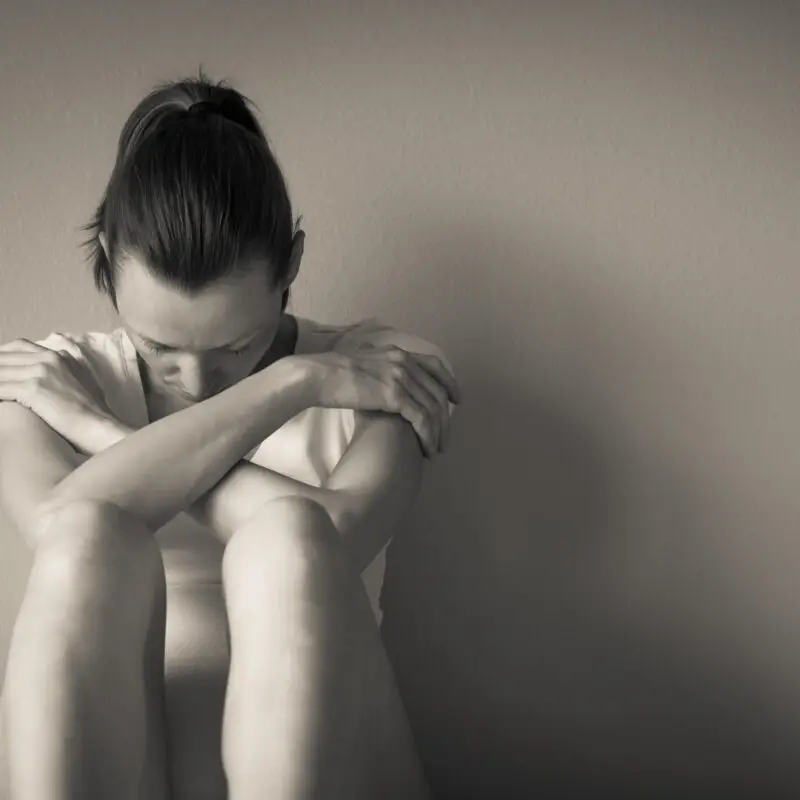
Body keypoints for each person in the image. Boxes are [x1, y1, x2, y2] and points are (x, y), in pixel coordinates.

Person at [0, 68, 461, 800]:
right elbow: (62, 522)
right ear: (108, 281)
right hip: (127, 774)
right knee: (88, 537)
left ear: (293, 268)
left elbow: (332, 538)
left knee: (288, 541)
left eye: (236, 348)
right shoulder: (45, 381)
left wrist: (297, 381)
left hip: (332, 768)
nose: (197, 383)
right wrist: (277, 385)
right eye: (159, 350)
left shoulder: (379, 371)